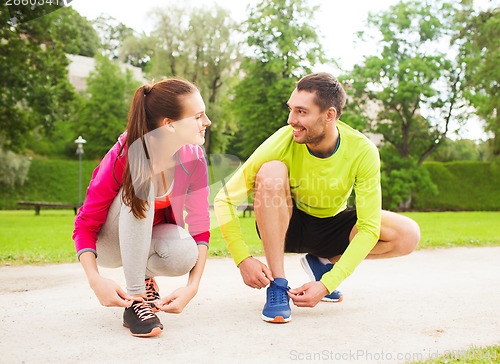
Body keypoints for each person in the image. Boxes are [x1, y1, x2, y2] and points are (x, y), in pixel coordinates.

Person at [214, 72, 420, 323]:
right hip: (287, 224)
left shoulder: (362, 150)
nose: (291, 120)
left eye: (301, 112)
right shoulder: (282, 140)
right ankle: (278, 286)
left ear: (329, 115)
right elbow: (224, 199)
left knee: (408, 233)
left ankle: (322, 264)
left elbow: (368, 229)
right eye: (291, 110)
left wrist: (327, 284)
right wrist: (242, 259)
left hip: (331, 227)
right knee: (271, 170)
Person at [73, 78, 212, 337]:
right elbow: (85, 224)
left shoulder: (193, 158)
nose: (207, 122)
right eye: (198, 116)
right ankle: (136, 300)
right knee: (143, 181)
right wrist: (95, 281)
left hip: (144, 242)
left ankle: (144, 277)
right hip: (110, 244)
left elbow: (200, 226)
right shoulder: (126, 152)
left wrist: (192, 288)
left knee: (184, 253)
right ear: (169, 124)